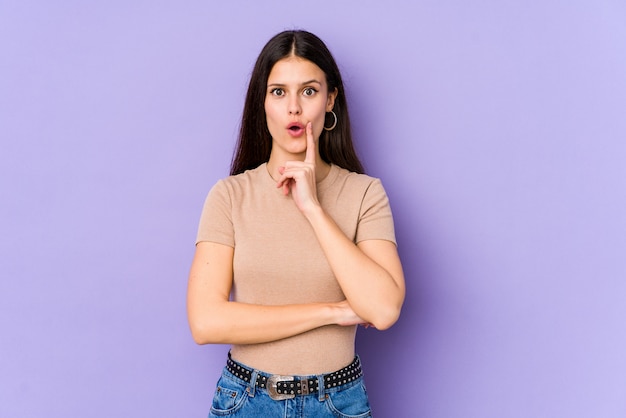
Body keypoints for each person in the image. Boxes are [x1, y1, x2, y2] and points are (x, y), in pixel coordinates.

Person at [187, 29, 405, 417]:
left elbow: (383, 309)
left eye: (308, 91)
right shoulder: (230, 196)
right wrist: (332, 312)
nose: (294, 109)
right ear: (263, 103)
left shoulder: (364, 194)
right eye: (278, 92)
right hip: (246, 400)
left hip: (337, 402)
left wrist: (314, 210)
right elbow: (206, 321)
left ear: (330, 99)